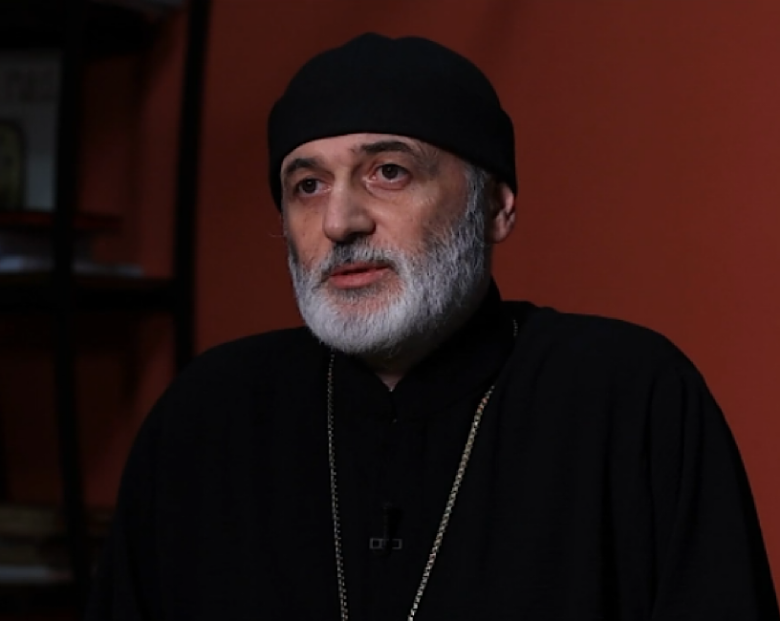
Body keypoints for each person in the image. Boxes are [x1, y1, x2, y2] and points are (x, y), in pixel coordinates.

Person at [87, 33, 779, 620]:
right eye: (308, 185)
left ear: (496, 207)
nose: (340, 222)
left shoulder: (630, 397)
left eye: (388, 172)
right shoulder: (207, 415)